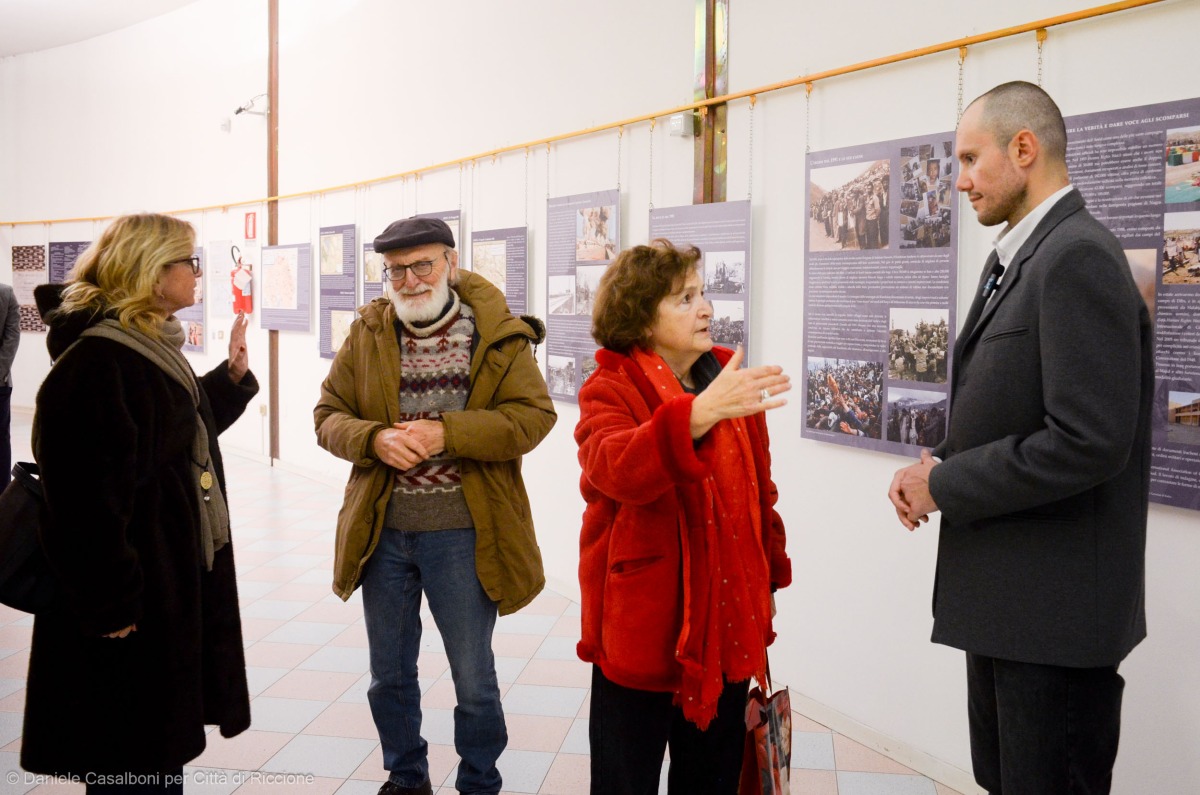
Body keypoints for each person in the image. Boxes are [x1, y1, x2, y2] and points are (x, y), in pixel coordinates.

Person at [888, 82, 1153, 794]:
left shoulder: (1076, 257)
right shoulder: (1027, 256)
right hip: (1014, 610)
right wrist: (939, 463)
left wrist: (943, 484)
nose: (961, 179)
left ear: (1025, 149)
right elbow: (1016, 405)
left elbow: (1089, 439)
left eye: (971, 158)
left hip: (1054, 623)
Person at [314, 216, 556, 795]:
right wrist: (373, 439)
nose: (410, 279)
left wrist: (449, 434)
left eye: (422, 265)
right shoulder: (368, 332)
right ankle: (406, 775)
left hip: (464, 533)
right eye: (396, 270)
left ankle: (479, 779)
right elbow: (327, 416)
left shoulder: (497, 332)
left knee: (473, 677)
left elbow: (533, 417)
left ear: (450, 262)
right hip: (384, 532)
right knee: (389, 676)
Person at [22, 213, 257, 794]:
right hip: (127, 604)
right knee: (129, 758)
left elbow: (170, 439)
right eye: (190, 261)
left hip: (157, 589)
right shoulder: (99, 363)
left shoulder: (142, 346)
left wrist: (227, 381)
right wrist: (111, 605)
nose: (198, 273)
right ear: (153, 273)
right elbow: (84, 505)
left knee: (147, 754)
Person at [575, 239, 792, 795]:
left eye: (703, 294)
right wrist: (697, 415)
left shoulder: (724, 377)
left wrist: (765, 577)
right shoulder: (610, 387)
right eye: (684, 298)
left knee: (711, 779)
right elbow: (613, 467)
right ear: (641, 319)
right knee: (627, 780)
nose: (706, 309)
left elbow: (758, 492)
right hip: (644, 630)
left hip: (726, 624)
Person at [0, 280, 18, 488]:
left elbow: (12, 336)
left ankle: (3, 490)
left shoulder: (5, 293)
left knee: (1, 440)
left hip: (0, 383)